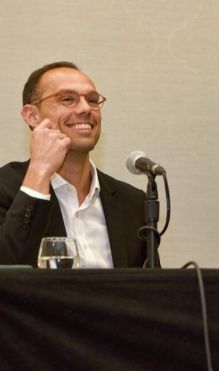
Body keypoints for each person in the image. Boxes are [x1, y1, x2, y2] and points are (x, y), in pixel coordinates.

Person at [0, 61, 146, 267]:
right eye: (68, 99)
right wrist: (40, 172)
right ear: (32, 115)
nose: (86, 108)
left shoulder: (132, 202)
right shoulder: (5, 188)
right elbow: (9, 273)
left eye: (93, 100)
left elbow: (149, 291)